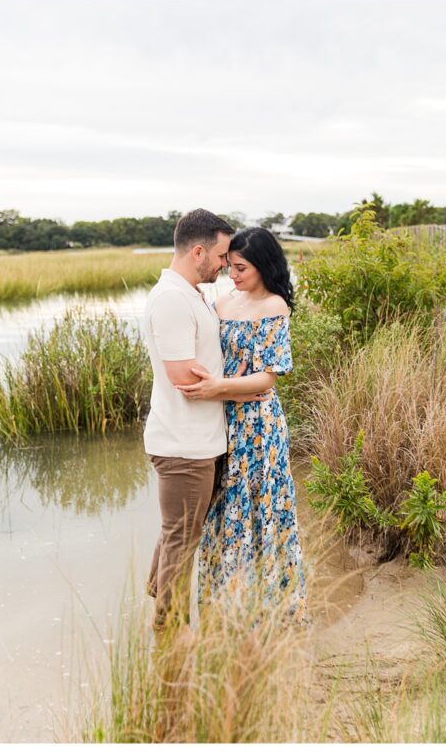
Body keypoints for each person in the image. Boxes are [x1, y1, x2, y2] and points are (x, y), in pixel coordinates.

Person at [142, 208, 272, 629]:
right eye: (219, 257)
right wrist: (236, 387)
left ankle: (160, 604)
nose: (224, 264)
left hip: (198, 442)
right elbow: (185, 378)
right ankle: (169, 638)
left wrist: (225, 384)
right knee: (182, 542)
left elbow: (203, 371)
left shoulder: (193, 293)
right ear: (197, 251)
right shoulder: (172, 300)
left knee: (176, 534)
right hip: (183, 447)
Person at [174, 226, 307, 623]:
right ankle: (223, 609)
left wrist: (221, 388)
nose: (233, 275)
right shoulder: (222, 300)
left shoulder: (273, 306)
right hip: (222, 417)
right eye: (230, 266)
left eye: (242, 268)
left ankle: (269, 609)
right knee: (223, 509)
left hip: (258, 423)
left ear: (264, 265)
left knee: (260, 506)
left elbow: (269, 377)